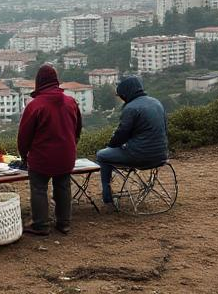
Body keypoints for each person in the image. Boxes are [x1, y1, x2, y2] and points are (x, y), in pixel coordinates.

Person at [17, 65, 82, 235]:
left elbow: (24, 136)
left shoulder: (35, 106)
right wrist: (72, 145)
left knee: (39, 188)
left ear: (39, 82)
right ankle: (64, 223)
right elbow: (77, 129)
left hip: (42, 157)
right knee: (63, 186)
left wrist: (24, 155)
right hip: (66, 154)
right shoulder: (71, 102)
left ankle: (41, 224)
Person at [96, 75, 169, 209]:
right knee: (110, 152)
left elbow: (121, 135)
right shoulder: (156, 102)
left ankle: (107, 197)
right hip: (161, 155)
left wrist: (110, 146)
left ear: (126, 93)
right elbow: (165, 128)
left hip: (139, 157)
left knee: (102, 155)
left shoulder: (130, 108)